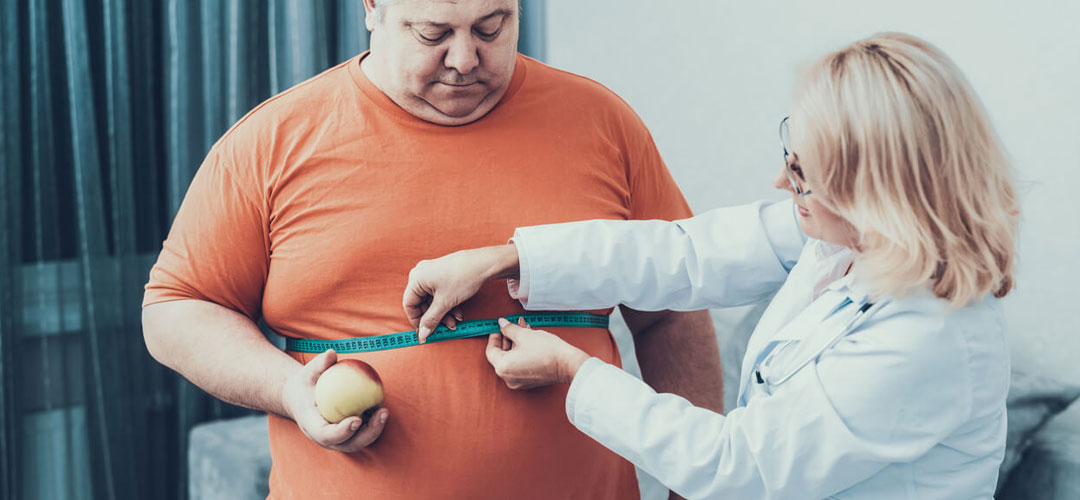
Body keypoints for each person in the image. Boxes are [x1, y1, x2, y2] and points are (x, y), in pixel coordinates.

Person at [141, 0, 721, 498]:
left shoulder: (604, 124)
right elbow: (176, 307)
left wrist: (696, 487)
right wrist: (288, 389)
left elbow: (672, 310)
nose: (466, 59)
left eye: (492, 27)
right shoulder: (271, 143)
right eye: (433, 33)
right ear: (372, 7)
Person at [403, 32, 1019, 499]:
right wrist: (508, 257)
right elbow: (684, 254)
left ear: (876, 191)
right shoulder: (850, 240)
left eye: (802, 175)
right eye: (790, 153)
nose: (780, 181)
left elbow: (735, 466)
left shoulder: (928, 336)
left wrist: (574, 370)